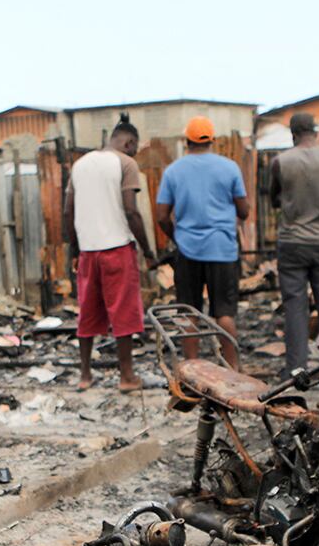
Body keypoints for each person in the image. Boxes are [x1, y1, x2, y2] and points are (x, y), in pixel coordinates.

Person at [62, 116, 155, 391]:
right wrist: (148, 251)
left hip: (89, 251)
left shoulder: (80, 165)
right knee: (123, 313)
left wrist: (75, 250)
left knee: (87, 313)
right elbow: (131, 210)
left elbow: (68, 211)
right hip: (117, 248)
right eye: (134, 147)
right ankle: (127, 377)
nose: (134, 152)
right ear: (129, 142)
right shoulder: (126, 163)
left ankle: (85, 376)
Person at [156, 116, 249, 368]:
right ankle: (233, 367)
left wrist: (177, 236)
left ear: (186, 141)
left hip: (188, 251)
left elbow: (162, 216)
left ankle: (192, 369)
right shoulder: (229, 168)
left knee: (188, 312)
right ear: (213, 141)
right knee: (224, 313)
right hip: (222, 249)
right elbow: (244, 210)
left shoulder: (174, 171)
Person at [270, 111, 319, 372]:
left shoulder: (281, 161)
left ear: (293, 134)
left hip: (292, 241)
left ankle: (296, 368)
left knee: (295, 305)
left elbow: (273, 200)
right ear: (315, 131)